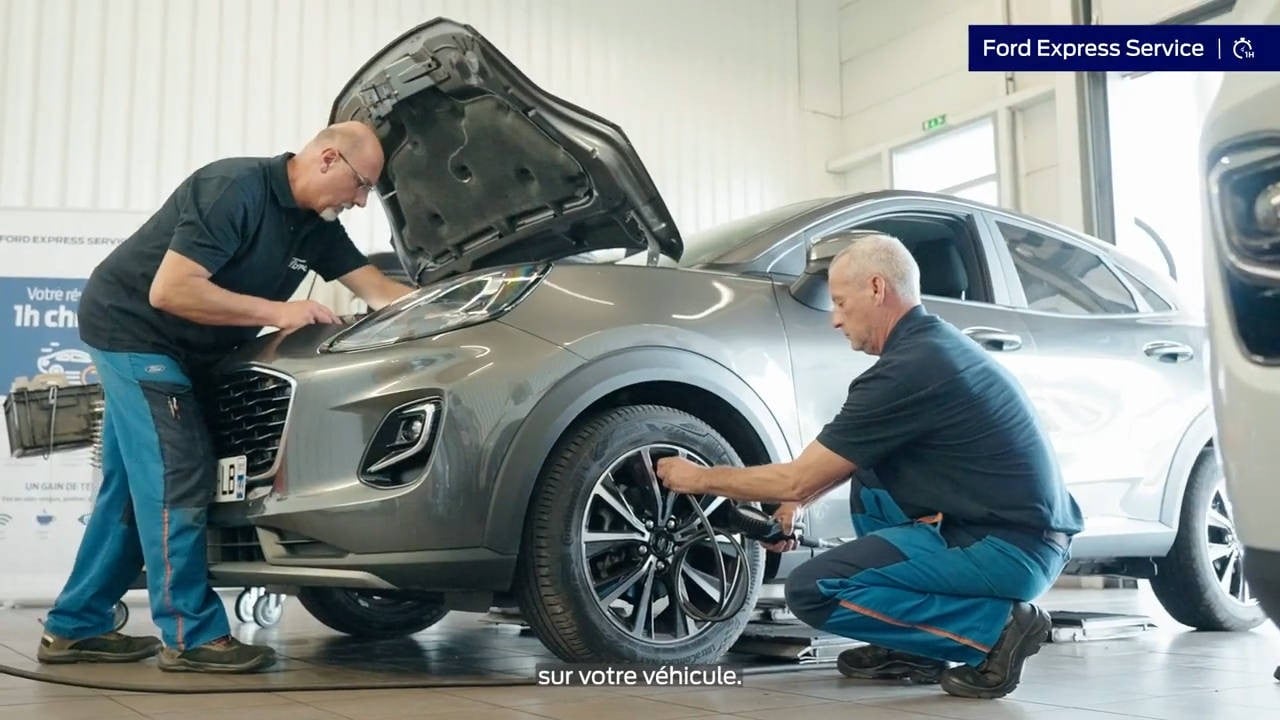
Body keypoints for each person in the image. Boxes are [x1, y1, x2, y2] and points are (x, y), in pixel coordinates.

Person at [36, 121, 415, 673]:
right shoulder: (234, 188)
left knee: (129, 490)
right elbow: (171, 290)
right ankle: (192, 637)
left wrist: (446, 308)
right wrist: (278, 313)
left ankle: (75, 626)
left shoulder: (316, 227)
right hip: (135, 332)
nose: (360, 202)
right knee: (178, 474)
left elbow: (379, 290)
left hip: (190, 349)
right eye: (361, 185)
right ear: (328, 159)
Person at [656, 231, 1084, 700]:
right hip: (1015, 534)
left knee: (813, 591)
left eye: (840, 302)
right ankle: (919, 646)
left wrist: (696, 477)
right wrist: (791, 505)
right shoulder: (930, 348)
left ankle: (995, 632)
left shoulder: (910, 370)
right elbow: (817, 475)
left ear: (877, 288)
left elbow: (799, 476)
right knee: (870, 474)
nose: (835, 320)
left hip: (1011, 550)